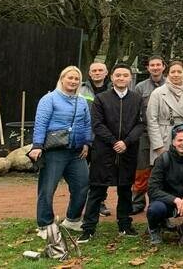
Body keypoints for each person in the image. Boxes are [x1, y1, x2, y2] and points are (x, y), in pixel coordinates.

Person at [79, 64, 146, 242]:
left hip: (128, 151)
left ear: (130, 78)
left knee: (125, 190)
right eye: (118, 75)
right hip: (104, 151)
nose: (121, 78)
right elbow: (97, 124)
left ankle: (125, 225)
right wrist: (114, 142)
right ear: (113, 78)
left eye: (125, 75)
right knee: (97, 190)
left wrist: (126, 142)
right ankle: (88, 228)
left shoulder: (137, 99)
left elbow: (141, 124)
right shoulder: (101, 99)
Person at [29, 66, 92, 236]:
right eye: (70, 78)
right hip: (54, 151)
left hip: (76, 152)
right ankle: (45, 225)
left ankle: (72, 219)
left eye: (76, 79)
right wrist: (37, 146)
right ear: (62, 79)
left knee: (82, 185)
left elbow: (87, 124)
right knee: (47, 188)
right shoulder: (49, 99)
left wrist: (86, 143)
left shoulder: (82, 100)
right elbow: (41, 123)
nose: (73, 81)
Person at [131, 55, 166, 214]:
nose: (155, 68)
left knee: (159, 167)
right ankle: (137, 202)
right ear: (148, 68)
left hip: (164, 131)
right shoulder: (140, 87)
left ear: (163, 67)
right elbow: (135, 111)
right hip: (145, 132)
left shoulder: (170, 85)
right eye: (152, 65)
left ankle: (158, 201)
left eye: (158, 65)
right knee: (142, 168)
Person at [79, 61, 111, 217]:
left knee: (101, 173)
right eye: (94, 70)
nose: (97, 73)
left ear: (106, 73)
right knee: (82, 173)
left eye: (100, 70)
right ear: (89, 73)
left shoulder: (113, 89)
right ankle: (80, 201)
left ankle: (100, 202)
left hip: (105, 138)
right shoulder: (80, 89)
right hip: (85, 137)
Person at [147, 61, 183, 165]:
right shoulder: (158, 93)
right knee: (164, 168)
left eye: (179, 72)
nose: (176, 75)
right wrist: (158, 145)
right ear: (167, 74)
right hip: (163, 136)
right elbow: (151, 120)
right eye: (173, 72)